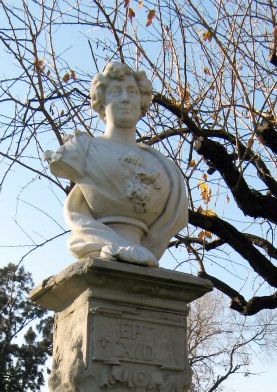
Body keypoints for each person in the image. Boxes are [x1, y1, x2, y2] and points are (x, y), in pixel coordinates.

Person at [44, 62, 188, 267]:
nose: (126, 98)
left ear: (142, 102)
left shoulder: (165, 169)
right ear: (101, 102)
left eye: (132, 92)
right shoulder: (80, 151)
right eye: (115, 92)